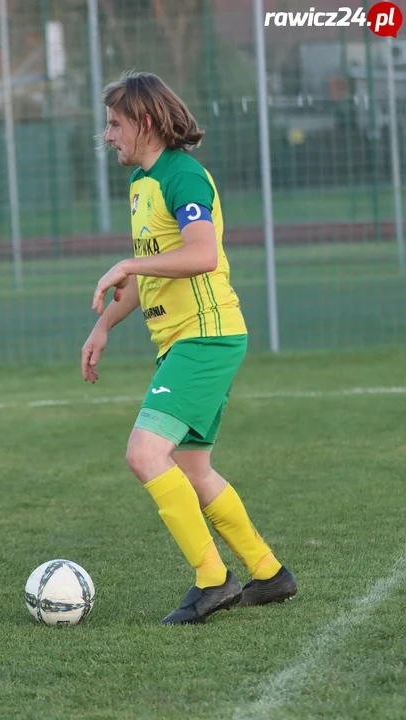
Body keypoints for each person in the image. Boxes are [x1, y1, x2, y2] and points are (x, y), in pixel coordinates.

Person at [82, 73, 297, 625]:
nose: (108, 136)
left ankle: (213, 580)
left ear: (145, 123)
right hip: (189, 340)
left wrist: (127, 263)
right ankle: (269, 573)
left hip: (206, 337)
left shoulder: (183, 177)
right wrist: (104, 325)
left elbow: (201, 255)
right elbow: (153, 272)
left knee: (144, 454)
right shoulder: (142, 185)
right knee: (192, 467)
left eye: (115, 124)